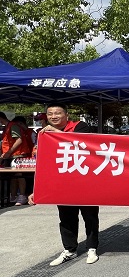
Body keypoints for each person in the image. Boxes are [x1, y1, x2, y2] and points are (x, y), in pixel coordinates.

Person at [27, 104, 99, 265]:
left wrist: (56, 133)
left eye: (57, 113)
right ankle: (69, 250)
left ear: (66, 115)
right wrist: (36, 190)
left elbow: (83, 143)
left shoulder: (80, 126)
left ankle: (92, 248)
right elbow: (44, 164)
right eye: (50, 114)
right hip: (63, 184)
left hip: (85, 182)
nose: (53, 116)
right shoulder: (44, 135)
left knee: (90, 216)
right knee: (66, 218)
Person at [1, 113, 34, 206]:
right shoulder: (7, 127)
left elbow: (19, 140)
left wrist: (9, 152)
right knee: (13, 177)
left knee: (19, 175)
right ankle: (13, 195)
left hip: (18, 155)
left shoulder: (13, 126)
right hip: (11, 155)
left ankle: (22, 195)